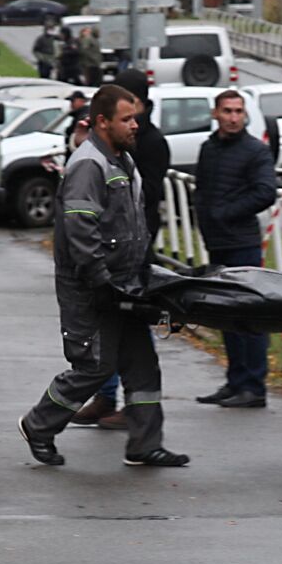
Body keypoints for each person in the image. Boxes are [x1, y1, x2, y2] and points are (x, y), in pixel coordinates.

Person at [17, 84, 189, 468]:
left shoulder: (123, 161)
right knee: (95, 367)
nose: (135, 126)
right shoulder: (88, 164)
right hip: (93, 289)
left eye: (136, 118)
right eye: (126, 119)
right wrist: (101, 282)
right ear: (102, 122)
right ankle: (38, 425)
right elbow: (81, 231)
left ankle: (145, 444)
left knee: (142, 364)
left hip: (125, 285)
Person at [71, 70, 173, 429]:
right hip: (111, 258)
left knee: (129, 334)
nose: (128, 119)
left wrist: (136, 251)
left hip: (130, 256)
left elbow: (143, 203)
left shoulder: (148, 144)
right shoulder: (104, 149)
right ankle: (107, 399)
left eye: (131, 111)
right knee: (108, 333)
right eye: (121, 114)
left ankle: (127, 409)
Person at [193, 89, 277, 409]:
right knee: (225, 314)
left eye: (238, 111)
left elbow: (265, 192)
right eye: (227, 111)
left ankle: (254, 385)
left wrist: (225, 214)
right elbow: (202, 191)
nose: (232, 117)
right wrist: (206, 221)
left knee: (249, 316)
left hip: (243, 242)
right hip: (217, 243)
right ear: (216, 113)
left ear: (245, 115)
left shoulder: (255, 151)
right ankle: (235, 380)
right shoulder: (209, 148)